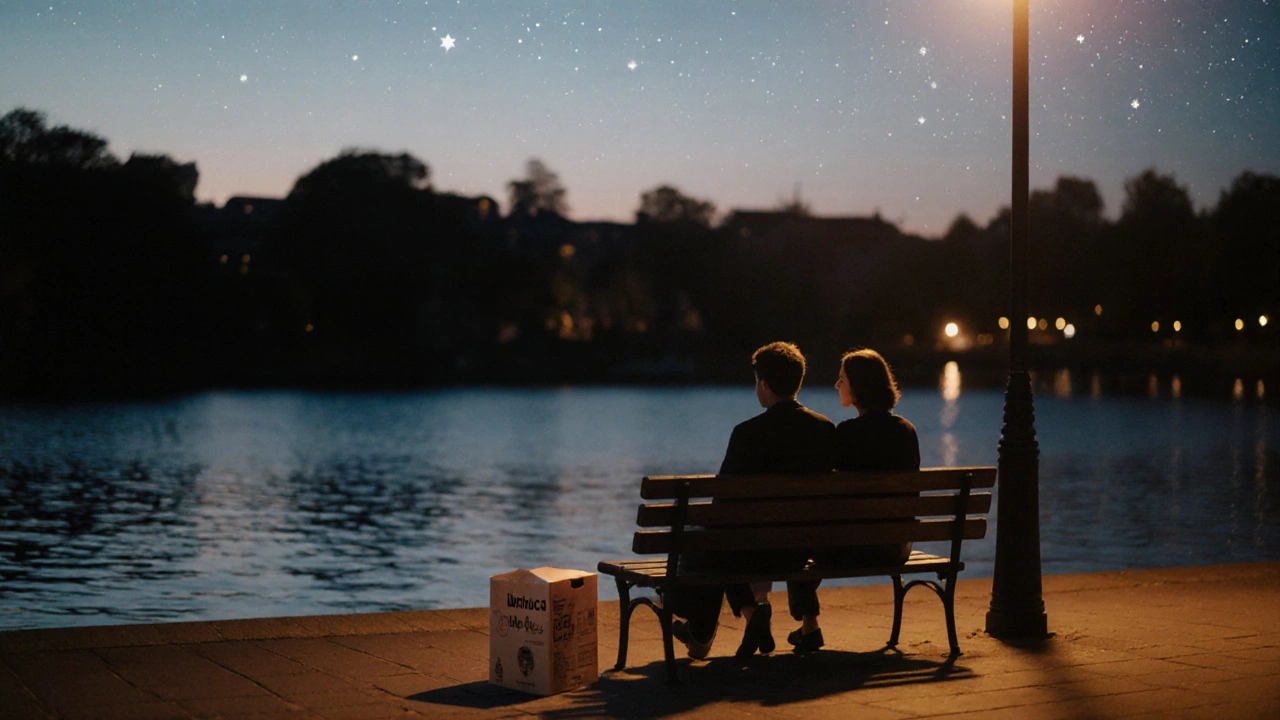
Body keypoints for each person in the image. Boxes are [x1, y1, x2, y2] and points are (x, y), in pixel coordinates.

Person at [670, 341, 835, 661]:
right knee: (718, 540)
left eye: (756, 380)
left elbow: (722, 502)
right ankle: (708, 631)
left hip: (750, 552)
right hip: (804, 551)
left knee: (711, 541)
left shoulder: (746, 433)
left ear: (764, 384)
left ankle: (714, 628)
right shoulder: (824, 429)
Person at [785, 348, 920, 654]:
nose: (837, 385)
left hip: (852, 547)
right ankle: (809, 627)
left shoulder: (845, 434)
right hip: (895, 547)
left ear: (858, 387)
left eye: (842, 379)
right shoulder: (906, 432)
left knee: (796, 536)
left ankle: (810, 625)